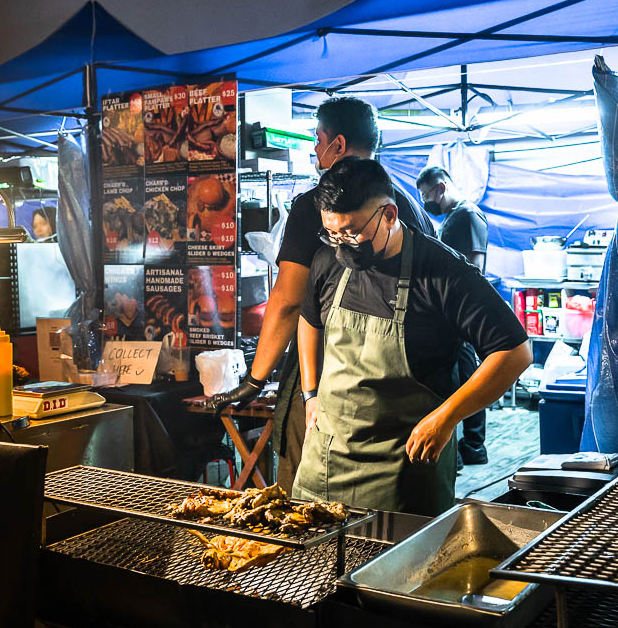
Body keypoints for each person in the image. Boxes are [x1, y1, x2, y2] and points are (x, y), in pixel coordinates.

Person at [208, 97, 436, 493]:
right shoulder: (409, 206)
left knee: (306, 498)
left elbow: (287, 301)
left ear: (339, 144)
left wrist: (255, 380)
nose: (315, 149)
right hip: (404, 386)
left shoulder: (319, 204)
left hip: (329, 377)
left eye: (317, 138)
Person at [292, 157, 530, 515]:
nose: (342, 245)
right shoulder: (329, 261)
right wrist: (310, 393)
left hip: (403, 467)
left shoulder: (443, 272)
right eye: (333, 233)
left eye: (352, 232)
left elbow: (515, 352)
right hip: (327, 460)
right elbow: (309, 320)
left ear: (389, 214)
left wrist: (448, 416)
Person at [416, 165, 491, 465]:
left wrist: (461, 310)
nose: (425, 203)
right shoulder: (453, 218)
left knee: (467, 377)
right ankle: (469, 446)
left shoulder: (468, 216)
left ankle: (472, 445)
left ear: (441, 188)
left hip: (461, 312)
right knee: (461, 376)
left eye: (426, 196)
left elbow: (476, 266)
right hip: (451, 310)